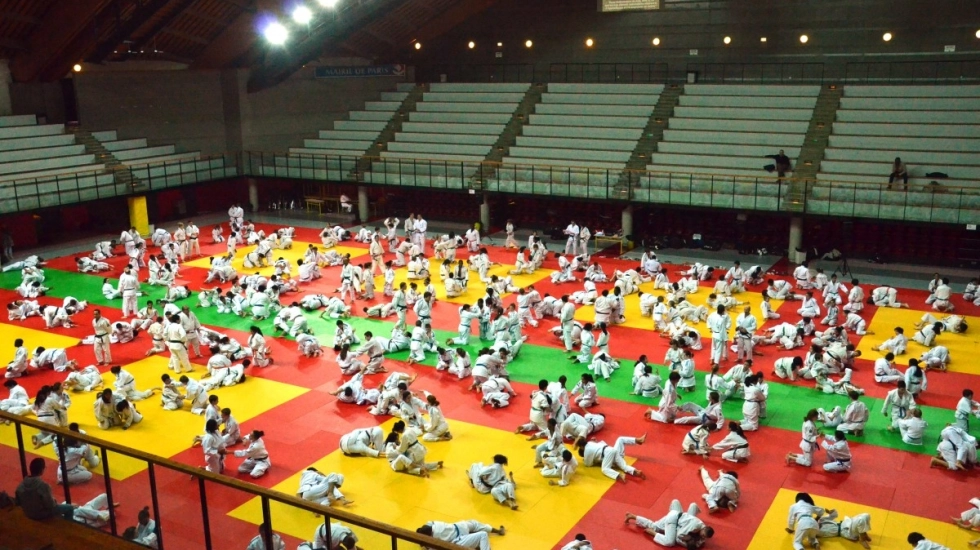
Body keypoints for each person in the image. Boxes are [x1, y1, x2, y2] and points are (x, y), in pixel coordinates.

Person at [625, 500, 714, 548]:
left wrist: (699, 540)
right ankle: (654, 533)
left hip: (676, 515)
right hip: (673, 520)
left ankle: (633, 516)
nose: (702, 537)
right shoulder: (695, 527)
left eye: (704, 537)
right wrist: (688, 541)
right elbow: (679, 535)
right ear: (704, 529)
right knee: (670, 541)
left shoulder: (702, 526)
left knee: (688, 505)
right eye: (703, 535)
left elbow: (701, 540)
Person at [576, 434, 647, 482]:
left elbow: (588, 464)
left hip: (608, 454)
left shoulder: (587, 451)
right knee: (620, 439)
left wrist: (584, 459)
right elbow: (602, 444)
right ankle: (635, 471)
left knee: (604, 469)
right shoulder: (591, 443)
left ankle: (619, 475)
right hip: (612, 450)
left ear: (581, 447)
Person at [416, 520, 506, 550]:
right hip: (459, 534)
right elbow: (428, 524)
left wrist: (424, 544)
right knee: (481, 533)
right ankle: (497, 531)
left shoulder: (432, 540)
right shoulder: (434, 524)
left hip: (460, 530)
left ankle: (497, 531)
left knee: (476, 527)